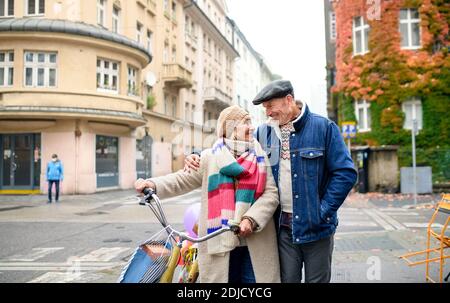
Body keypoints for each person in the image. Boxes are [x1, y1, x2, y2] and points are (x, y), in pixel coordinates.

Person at [184, 80, 357, 283]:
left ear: (288, 100)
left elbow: (345, 173)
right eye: (264, 108)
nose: (267, 113)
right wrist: (196, 155)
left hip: (317, 228)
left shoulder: (323, 128)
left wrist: (323, 211)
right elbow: (233, 149)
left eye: (270, 106)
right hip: (282, 228)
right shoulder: (263, 134)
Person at [135, 105, 280, 283]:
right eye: (246, 122)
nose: (252, 127)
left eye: (251, 122)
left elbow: (271, 194)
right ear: (230, 128)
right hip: (219, 240)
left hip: (256, 241)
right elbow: (181, 180)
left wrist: (251, 219)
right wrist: (152, 184)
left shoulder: (261, 157)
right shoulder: (210, 158)